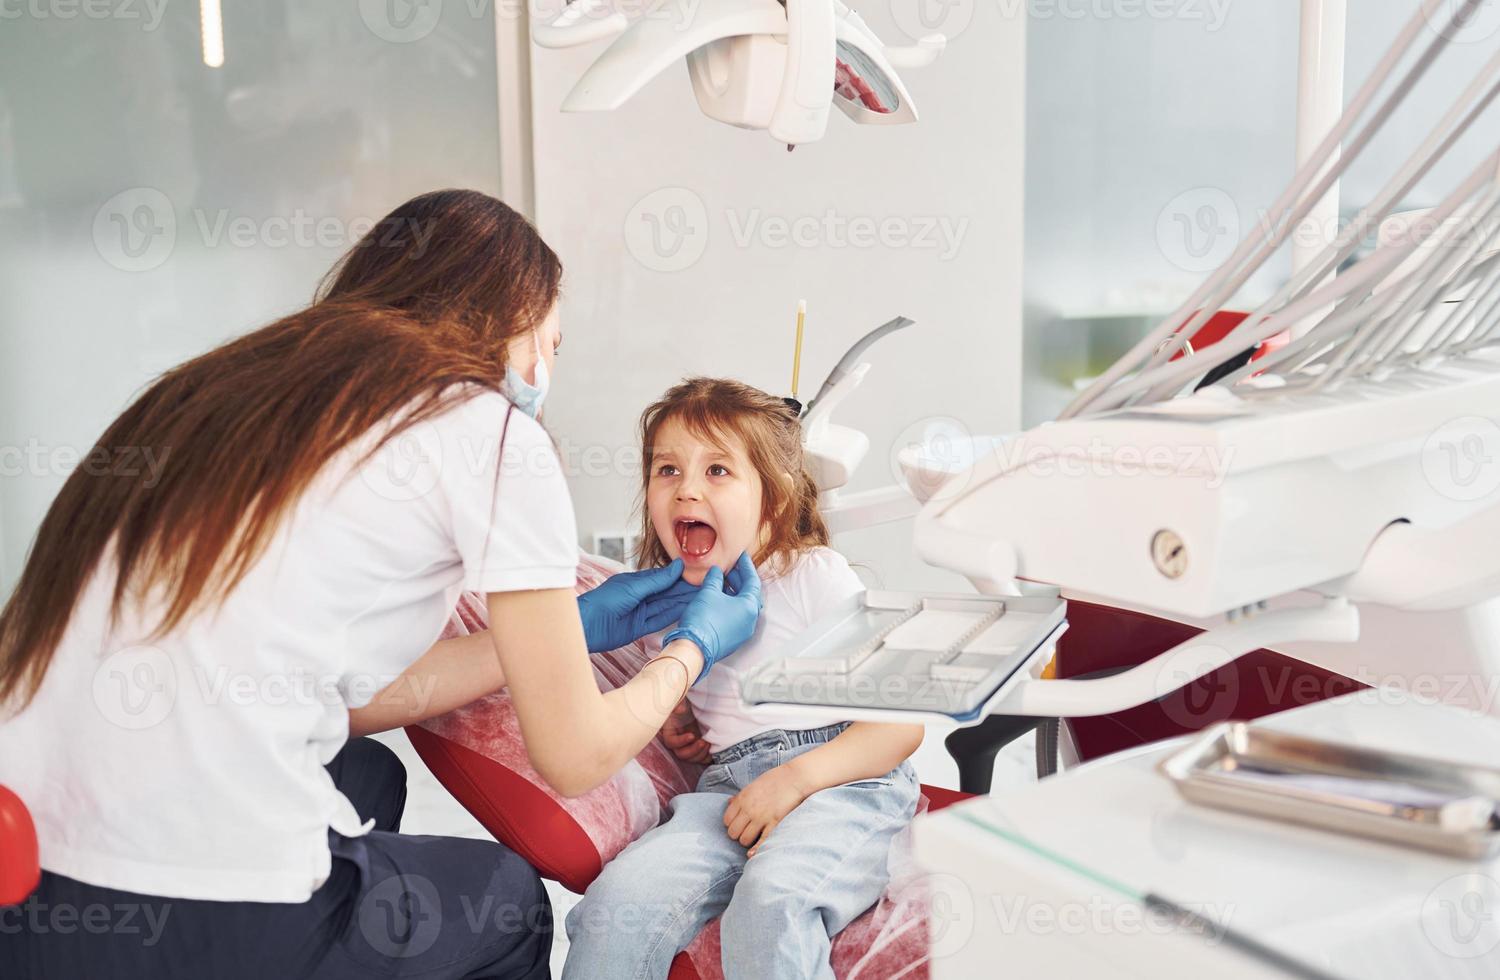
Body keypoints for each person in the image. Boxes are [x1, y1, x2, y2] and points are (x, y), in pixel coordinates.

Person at [0, 190, 762, 979]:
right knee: (505, 905)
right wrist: (692, 649)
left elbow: (347, 703)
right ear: (515, 328)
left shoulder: (218, 398)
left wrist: (561, 631)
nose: (546, 373)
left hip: (27, 879)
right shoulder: (493, 433)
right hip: (194, 903)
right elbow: (573, 757)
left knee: (365, 774)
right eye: (553, 344)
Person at [562, 379, 923, 980]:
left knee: (772, 901)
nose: (688, 490)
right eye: (667, 470)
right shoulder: (660, 609)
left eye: (719, 471)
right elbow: (686, 702)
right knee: (614, 909)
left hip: (841, 780)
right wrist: (680, 724)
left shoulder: (813, 576)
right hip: (724, 793)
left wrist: (795, 779)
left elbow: (901, 721)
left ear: (773, 501)